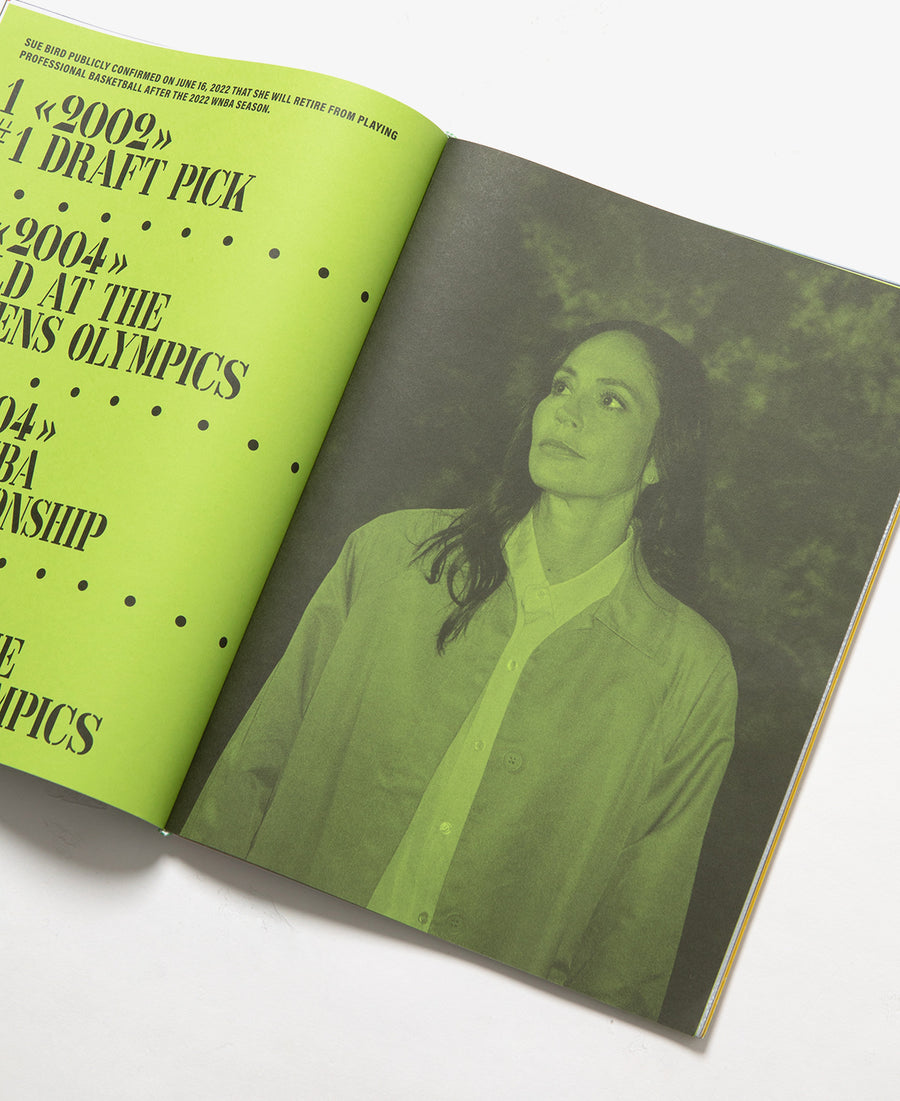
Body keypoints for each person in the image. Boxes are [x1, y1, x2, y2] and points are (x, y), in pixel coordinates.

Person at [184, 321, 737, 1022]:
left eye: (611, 400)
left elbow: (637, 935)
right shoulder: (389, 556)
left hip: (466, 1034)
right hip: (267, 976)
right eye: (561, 385)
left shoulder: (691, 673)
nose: (565, 411)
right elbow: (248, 776)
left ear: (660, 458)